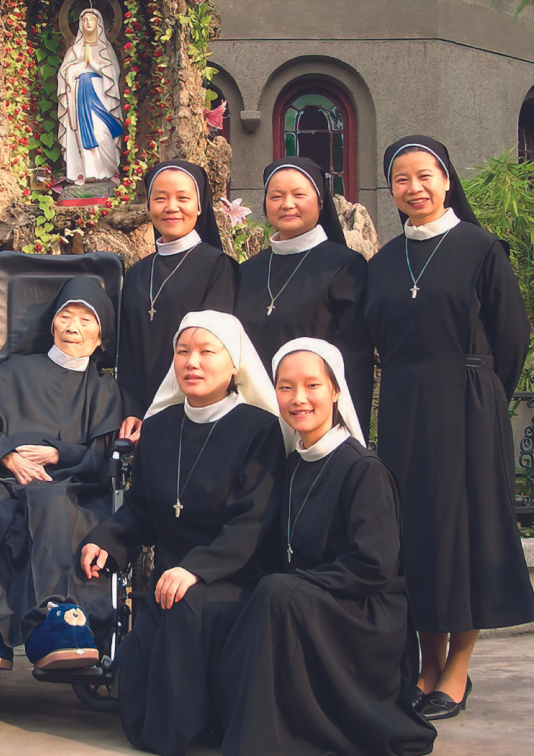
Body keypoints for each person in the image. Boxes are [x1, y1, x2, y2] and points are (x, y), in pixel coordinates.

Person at [365, 136, 534, 719]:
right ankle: (426, 664)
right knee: (416, 536)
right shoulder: (385, 261)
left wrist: (482, 395)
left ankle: (456, 671)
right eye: (401, 179)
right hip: (407, 409)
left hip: (467, 409)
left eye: (425, 175)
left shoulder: (482, 248)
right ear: (391, 190)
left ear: (446, 179)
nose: (414, 188)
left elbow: (512, 339)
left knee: (465, 537)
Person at [215, 337, 437, 756]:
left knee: (277, 592)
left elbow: (374, 566)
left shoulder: (363, 470)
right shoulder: (294, 462)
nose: (298, 398)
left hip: (364, 612)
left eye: (312, 385)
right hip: (312, 600)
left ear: (336, 390)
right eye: (285, 387)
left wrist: (299, 584)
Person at [80, 311, 285, 756]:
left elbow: (254, 521)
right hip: (172, 578)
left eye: (206, 352)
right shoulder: (159, 428)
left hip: (233, 576)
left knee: (188, 607)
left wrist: (196, 569)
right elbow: (141, 508)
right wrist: (106, 539)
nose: (192, 362)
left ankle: (194, 731)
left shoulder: (260, 429)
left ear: (234, 364)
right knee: (148, 633)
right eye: (182, 351)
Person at [0, 277, 123, 671]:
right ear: (52, 323)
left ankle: (55, 618)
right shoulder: (15, 370)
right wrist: (7, 456)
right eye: (66, 316)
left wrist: (57, 453)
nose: (73, 327)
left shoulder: (104, 388)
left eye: (87, 320)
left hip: (66, 489)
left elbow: (103, 456)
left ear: (101, 336)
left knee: (47, 499)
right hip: (1, 480)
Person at [234, 157, 373, 431]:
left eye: (299, 194)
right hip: (254, 418)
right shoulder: (246, 271)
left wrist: (343, 429)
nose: (287, 204)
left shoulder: (344, 266)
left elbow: (354, 360)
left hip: (314, 420)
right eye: (276, 196)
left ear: (320, 202)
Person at [118, 160, 236, 445]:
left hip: (193, 412)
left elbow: (210, 352)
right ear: (149, 206)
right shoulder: (136, 273)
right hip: (139, 419)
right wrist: (132, 410)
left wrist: (161, 413)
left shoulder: (217, 267)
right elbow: (128, 351)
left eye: (183, 198)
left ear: (199, 205)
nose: (171, 207)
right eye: (160, 198)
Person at [56, 7, 123, 183]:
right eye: (84, 19)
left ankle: (108, 171)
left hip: (102, 96)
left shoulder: (105, 49)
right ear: (80, 24)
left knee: (102, 132)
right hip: (80, 96)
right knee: (82, 133)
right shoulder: (74, 50)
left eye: (91, 19)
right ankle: (88, 172)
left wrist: (93, 64)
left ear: (99, 23)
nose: (88, 22)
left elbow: (113, 74)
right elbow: (64, 75)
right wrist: (78, 68)